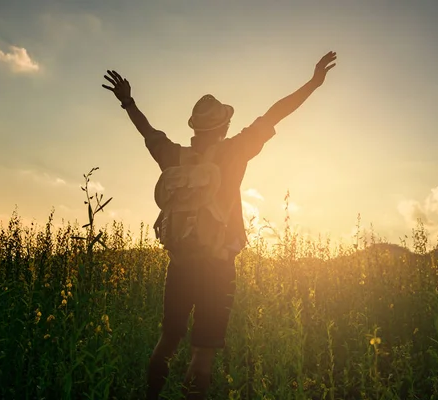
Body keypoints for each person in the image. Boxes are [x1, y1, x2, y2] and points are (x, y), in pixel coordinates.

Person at [101, 50, 337, 400]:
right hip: (218, 267)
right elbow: (276, 113)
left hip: (179, 265)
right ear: (224, 126)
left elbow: (148, 133)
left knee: (167, 340)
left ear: (194, 129)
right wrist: (314, 83)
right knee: (203, 354)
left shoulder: (172, 155)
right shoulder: (234, 151)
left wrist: (128, 101)